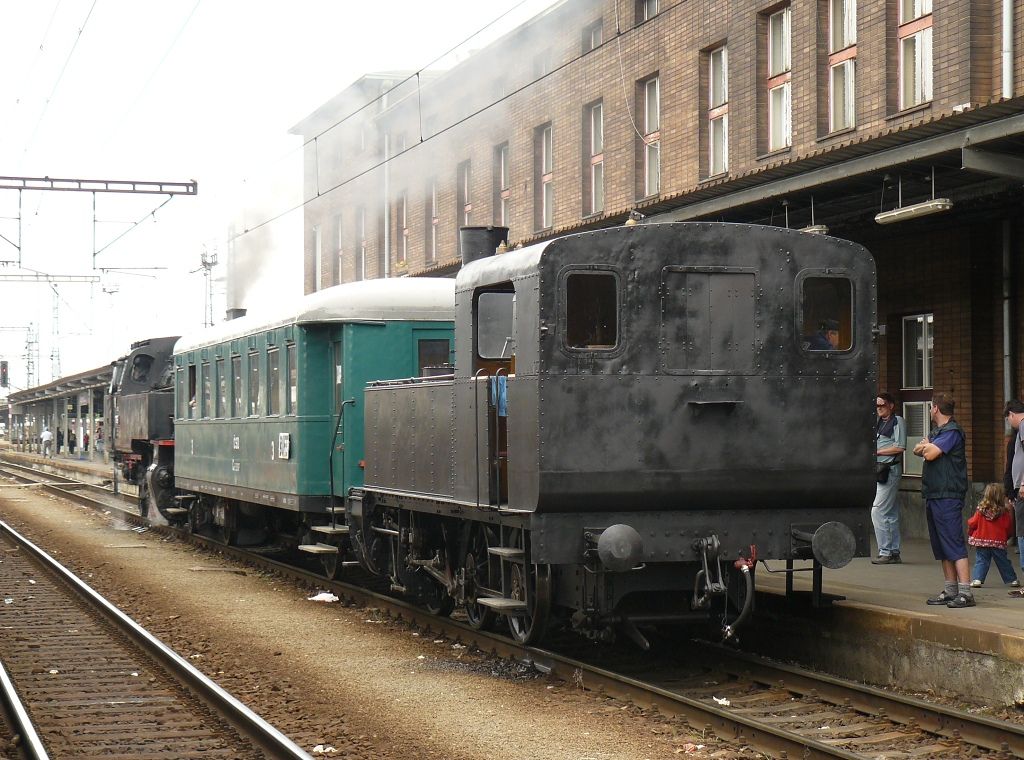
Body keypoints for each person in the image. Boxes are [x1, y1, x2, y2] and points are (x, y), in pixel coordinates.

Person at [913, 392, 973, 608]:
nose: (930, 411)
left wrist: (927, 447)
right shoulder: (938, 432)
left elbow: (928, 453)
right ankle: (950, 590)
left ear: (936, 408)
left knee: (953, 543)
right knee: (941, 545)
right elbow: (916, 449)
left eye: (931, 407)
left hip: (948, 494)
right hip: (935, 493)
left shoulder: (952, 431)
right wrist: (925, 446)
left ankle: (966, 592)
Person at [872, 393, 906, 564]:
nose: (879, 409)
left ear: (891, 405)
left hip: (890, 469)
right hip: (881, 470)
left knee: (877, 510)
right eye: (877, 406)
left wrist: (877, 452)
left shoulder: (897, 421)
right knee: (890, 513)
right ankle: (893, 551)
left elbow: (900, 447)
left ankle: (885, 551)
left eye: (882, 406)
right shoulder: (878, 422)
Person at [968, 483, 1020, 588]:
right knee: (1003, 561)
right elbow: (1008, 526)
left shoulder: (981, 510)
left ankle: (978, 579)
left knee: (981, 560)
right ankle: (1012, 580)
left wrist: (970, 527)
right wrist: (1008, 536)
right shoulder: (1004, 512)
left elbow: (972, 522)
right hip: (998, 541)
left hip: (982, 540)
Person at [1003, 400, 1024, 595]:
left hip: (1023, 491)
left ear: (1011, 414)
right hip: (1018, 491)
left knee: (1023, 535)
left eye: (1008, 419)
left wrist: (1023, 483)